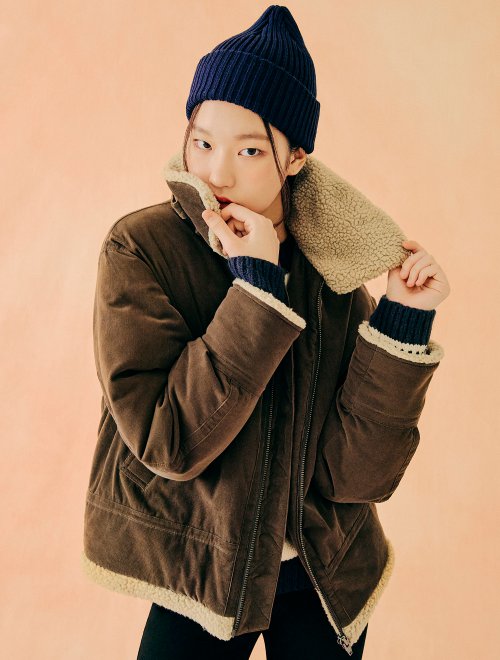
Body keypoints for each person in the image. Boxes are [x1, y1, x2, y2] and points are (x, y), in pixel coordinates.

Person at [81, 5, 450, 659]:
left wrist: (401, 319)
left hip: (324, 574)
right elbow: (169, 442)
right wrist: (254, 290)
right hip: (201, 569)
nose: (216, 172)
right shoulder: (141, 249)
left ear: (295, 157)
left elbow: (354, 477)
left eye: (249, 149)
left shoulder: (329, 270)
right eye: (202, 142)